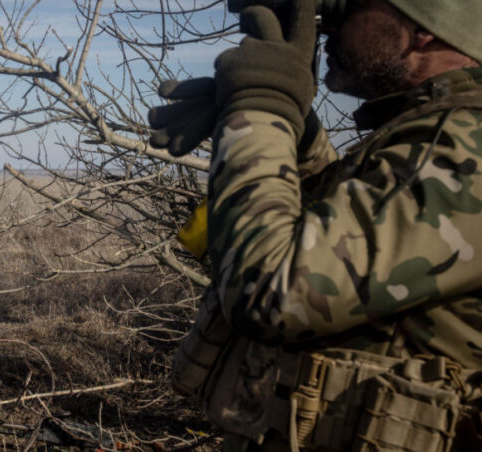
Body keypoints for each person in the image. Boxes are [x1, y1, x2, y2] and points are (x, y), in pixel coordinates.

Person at [163, 0, 482, 450]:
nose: (327, 25)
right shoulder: (435, 135)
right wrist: (294, 132)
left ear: (423, 27)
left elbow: (275, 288)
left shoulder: (467, 146)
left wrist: (262, 103)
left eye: (351, 5)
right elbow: (346, 242)